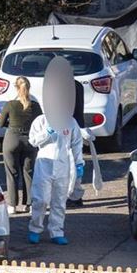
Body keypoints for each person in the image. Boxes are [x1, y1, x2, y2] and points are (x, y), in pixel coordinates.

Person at [27, 112, 84, 246]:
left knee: (59, 201)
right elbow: (33, 141)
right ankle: (35, 229)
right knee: (40, 199)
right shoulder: (40, 120)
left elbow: (76, 143)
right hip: (44, 165)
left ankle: (56, 232)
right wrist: (47, 132)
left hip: (63, 165)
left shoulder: (70, 122)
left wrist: (79, 163)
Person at [0, 76, 41, 214]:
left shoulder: (10, 104)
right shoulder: (35, 106)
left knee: (12, 173)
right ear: (29, 88)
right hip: (30, 140)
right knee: (29, 172)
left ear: (16, 88)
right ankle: (30, 204)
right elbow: (40, 122)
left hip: (12, 139)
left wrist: (7, 121)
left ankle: (12, 205)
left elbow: (0, 124)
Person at [67, 79, 88, 208]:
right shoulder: (78, 85)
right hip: (78, 126)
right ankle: (75, 194)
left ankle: (73, 195)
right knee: (76, 163)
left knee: (69, 165)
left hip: (67, 128)